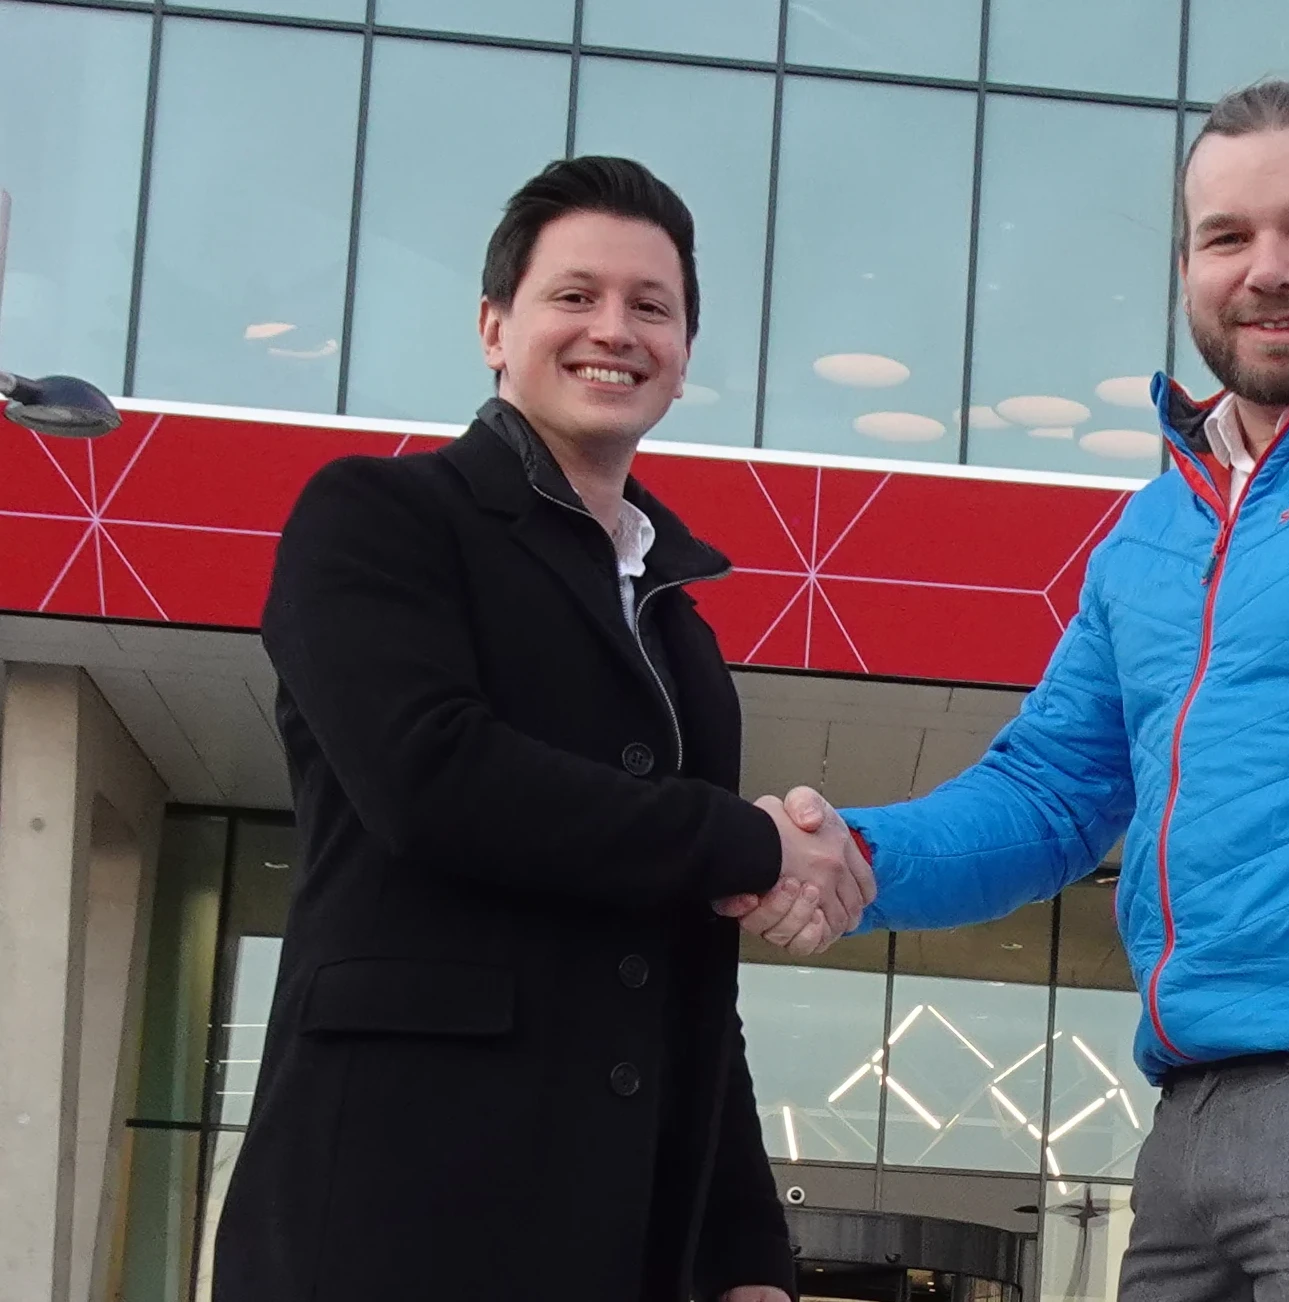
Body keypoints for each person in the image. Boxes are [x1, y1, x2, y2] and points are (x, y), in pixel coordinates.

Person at [726, 80, 1289, 1300]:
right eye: (1228, 237)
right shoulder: (1153, 532)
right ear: (1187, 273)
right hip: (1185, 1138)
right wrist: (846, 855)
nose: (1268, 268)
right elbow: (1049, 795)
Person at [214, 156, 870, 1302]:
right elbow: (431, 779)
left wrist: (745, 1254)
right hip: (387, 1221)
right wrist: (754, 843)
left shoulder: (683, 635)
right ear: (494, 327)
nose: (613, 329)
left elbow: (692, 979)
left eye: (650, 306)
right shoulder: (374, 517)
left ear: (683, 357)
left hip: (616, 1246)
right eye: (575, 295)